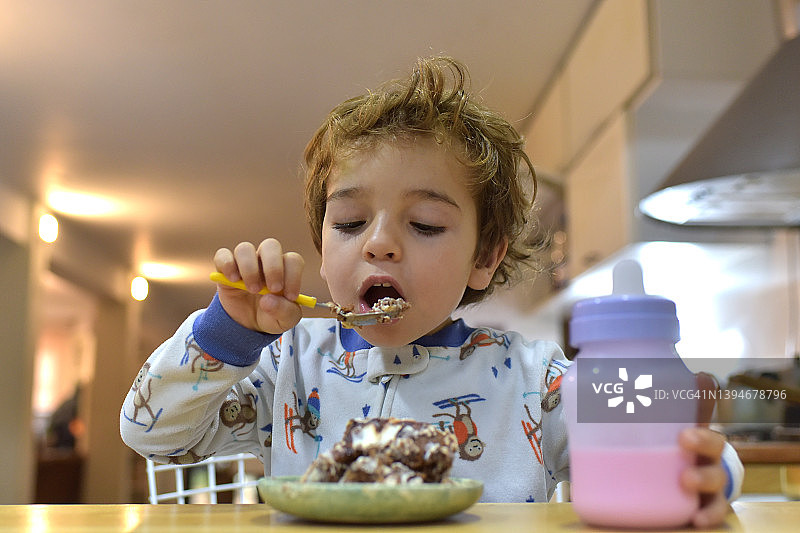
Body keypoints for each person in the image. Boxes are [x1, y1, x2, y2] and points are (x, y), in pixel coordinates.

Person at [121, 56, 741, 525]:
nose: (380, 244)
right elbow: (151, 434)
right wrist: (228, 335)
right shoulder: (288, 367)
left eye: (424, 225)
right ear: (321, 243)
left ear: (484, 257)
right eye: (349, 223)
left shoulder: (540, 381)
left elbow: (669, 451)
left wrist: (709, 472)